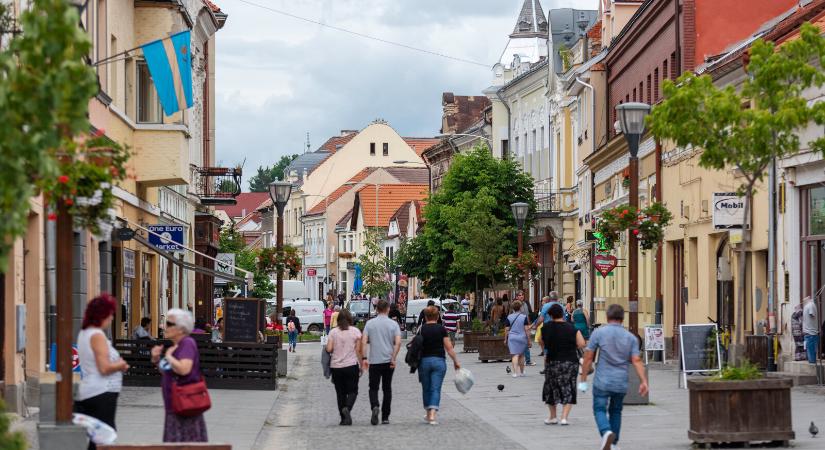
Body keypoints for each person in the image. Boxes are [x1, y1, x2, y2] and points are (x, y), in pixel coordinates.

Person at [580, 304, 649, 450]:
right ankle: (614, 444)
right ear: (622, 319)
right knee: (616, 410)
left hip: (602, 381)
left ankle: (606, 432)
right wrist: (643, 381)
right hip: (621, 381)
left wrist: (583, 380)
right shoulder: (630, 337)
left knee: (599, 409)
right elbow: (636, 360)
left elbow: (588, 357)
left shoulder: (599, 333)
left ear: (607, 317)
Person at [75, 294, 130, 450]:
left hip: (93, 391)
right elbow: (104, 367)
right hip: (101, 393)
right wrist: (120, 364)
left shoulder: (84, 333)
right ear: (102, 314)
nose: (112, 318)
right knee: (105, 440)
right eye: (110, 314)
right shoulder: (97, 335)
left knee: (97, 439)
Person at [151, 308, 208, 442]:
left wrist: (169, 356)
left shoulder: (187, 343)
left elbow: (184, 369)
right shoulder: (175, 346)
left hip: (185, 405)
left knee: (185, 442)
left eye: (169, 324)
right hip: (175, 404)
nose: (165, 327)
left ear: (181, 329)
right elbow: (168, 371)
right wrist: (156, 359)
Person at [542, 304, 585, 425]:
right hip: (570, 361)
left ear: (550, 315)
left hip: (552, 361)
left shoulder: (546, 328)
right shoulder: (572, 328)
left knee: (551, 388)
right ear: (562, 314)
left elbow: (542, 341)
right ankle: (564, 417)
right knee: (568, 387)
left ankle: (553, 416)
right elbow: (581, 343)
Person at [418, 306, 461, 425]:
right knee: (436, 388)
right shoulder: (441, 329)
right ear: (437, 317)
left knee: (426, 388)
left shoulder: (421, 329)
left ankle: (428, 412)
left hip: (424, 362)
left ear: (425, 317)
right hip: (439, 361)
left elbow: (416, 346)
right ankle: (432, 415)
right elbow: (449, 347)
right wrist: (456, 361)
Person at [361, 300, 401, 425]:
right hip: (388, 360)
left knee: (373, 387)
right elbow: (398, 342)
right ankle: (385, 416)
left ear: (376, 309)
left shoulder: (370, 324)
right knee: (387, 388)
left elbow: (363, 341)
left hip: (374, 361)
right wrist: (394, 357)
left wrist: (364, 358)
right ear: (388, 309)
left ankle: (374, 406)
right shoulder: (393, 324)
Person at [326, 309, 363, 425]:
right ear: (350, 319)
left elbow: (329, 349)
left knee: (340, 392)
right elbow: (358, 350)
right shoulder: (355, 331)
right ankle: (347, 407)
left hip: (336, 366)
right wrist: (361, 364)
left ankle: (343, 418)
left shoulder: (333, 332)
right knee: (353, 391)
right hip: (351, 365)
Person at [505, 300, 531, 377]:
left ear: (513, 308)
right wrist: (529, 340)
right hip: (522, 338)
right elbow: (526, 329)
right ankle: (522, 372)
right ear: (520, 307)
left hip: (512, 338)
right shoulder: (524, 317)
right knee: (521, 355)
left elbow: (506, 329)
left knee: (514, 355)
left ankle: (515, 373)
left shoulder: (509, 317)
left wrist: (505, 339)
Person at [515, 291, 535, 367]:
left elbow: (527, 315)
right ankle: (520, 359)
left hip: (526, 325)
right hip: (519, 326)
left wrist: (529, 325)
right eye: (520, 295)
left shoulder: (525, 304)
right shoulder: (516, 305)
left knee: (526, 343)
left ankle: (527, 360)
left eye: (522, 295)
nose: (521, 296)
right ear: (517, 297)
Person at [803, 296, 819, 364]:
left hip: (811, 333)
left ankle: (812, 363)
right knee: (810, 350)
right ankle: (811, 361)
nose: (803, 300)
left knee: (811, 350)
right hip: (809, 332)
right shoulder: (809, 305)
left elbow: (812, 314)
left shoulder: (810, 305)